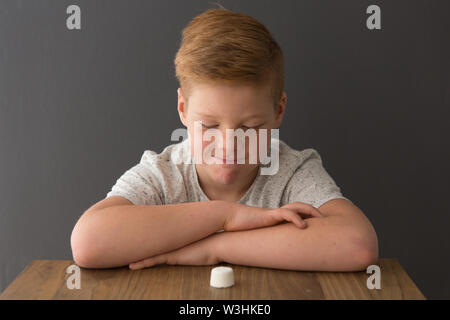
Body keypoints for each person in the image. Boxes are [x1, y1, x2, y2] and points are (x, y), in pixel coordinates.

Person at [70, 7, 378, 272]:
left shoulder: (291, 172)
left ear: (279, 111)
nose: (229, 146)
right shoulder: (163, 175)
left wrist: (216, 247)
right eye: (209, 125)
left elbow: (357, 245)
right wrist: (225, 215)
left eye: (250, 127)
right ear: (183, 109)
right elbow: (88, 243)